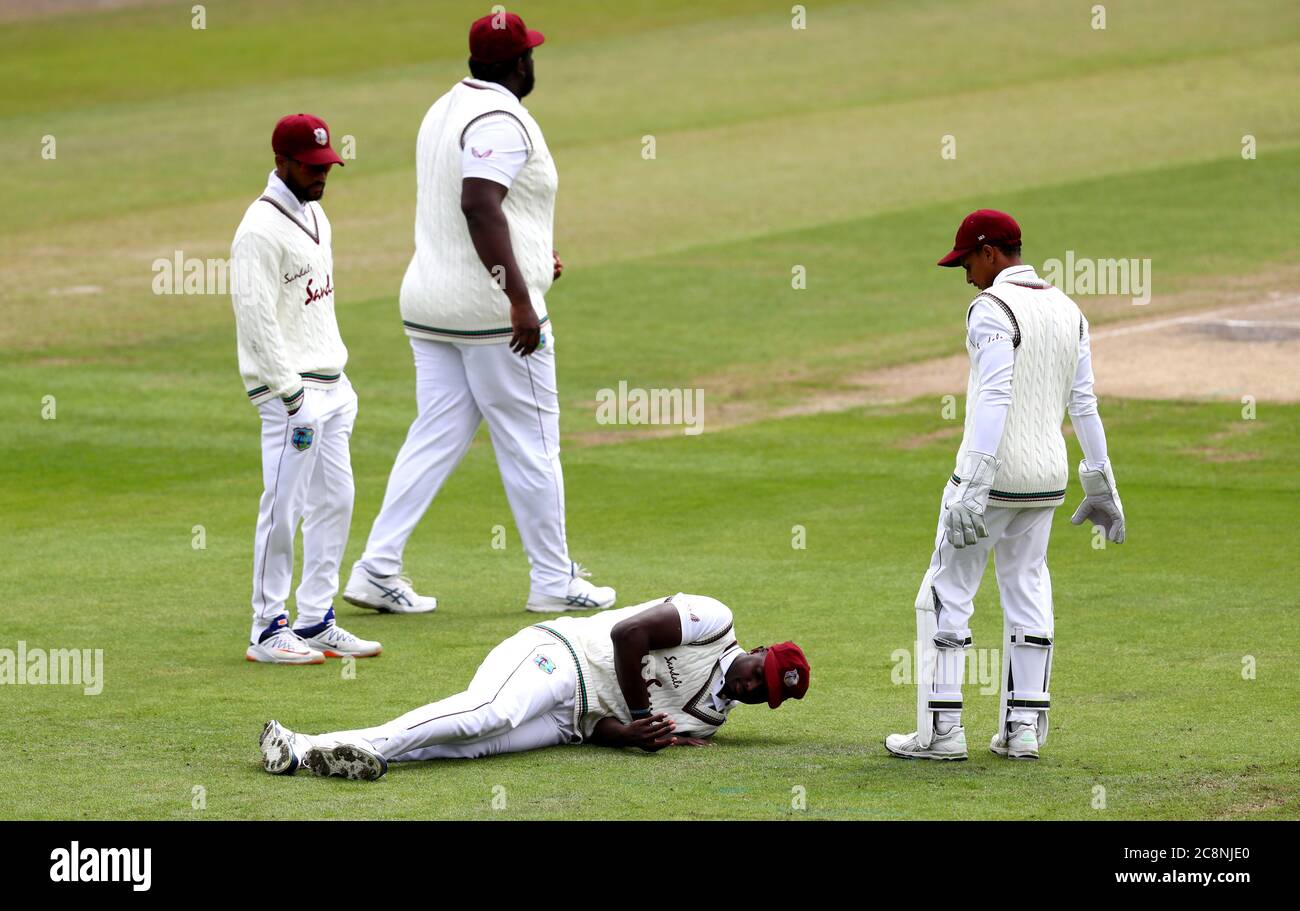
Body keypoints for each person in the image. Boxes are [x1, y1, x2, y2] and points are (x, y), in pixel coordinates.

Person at [342, 11, 614, 616]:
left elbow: (486, 210)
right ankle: (552, 579)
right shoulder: (504, 118)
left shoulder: (443, 107)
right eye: (530, 55)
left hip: (431, 302)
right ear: (518, 64)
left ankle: (376, 568)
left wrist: (534, 261)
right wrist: (518, 294)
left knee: (436, 433)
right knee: (533, 442)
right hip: (490, 313)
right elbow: (478, 204)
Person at [886, 209, 1125, 761]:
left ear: (990, 252)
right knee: (1028, 587)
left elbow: (994, 395)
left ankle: (941, 734)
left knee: (946, 593)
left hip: (994, 480)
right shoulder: (1070, 309)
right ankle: (1023, 732)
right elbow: (1083, 402)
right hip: (1048, 480)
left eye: (967, 261)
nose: (966, 275)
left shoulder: (989, 308)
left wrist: (973, 480)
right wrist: (1101, 481)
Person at [259, 594, 810, 779]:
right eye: (758, 675)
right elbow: (628, 634)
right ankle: (309, 741)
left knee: (470, 746)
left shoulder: (707, 723)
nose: (754, 688)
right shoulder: (713, 621)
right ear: (759, 651)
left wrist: (632, 737)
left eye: (766, 695)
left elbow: (606, 733)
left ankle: (313, 754)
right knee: (488, 714)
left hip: (571, 722)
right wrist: (642, 712)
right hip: (560, 654)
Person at [230, 113, 379, 664]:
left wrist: (340, 379)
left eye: (326, 166)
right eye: (311, 166)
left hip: (332, 386)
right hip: (291, 394)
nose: (322, 175)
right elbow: (255, 317)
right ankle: (267, 629)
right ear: (281, 162)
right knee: (283, 506)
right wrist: (290, 393)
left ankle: (316, 618)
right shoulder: (258, 231)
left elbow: (318, 306)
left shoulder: (317, 216)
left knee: (336, 499)